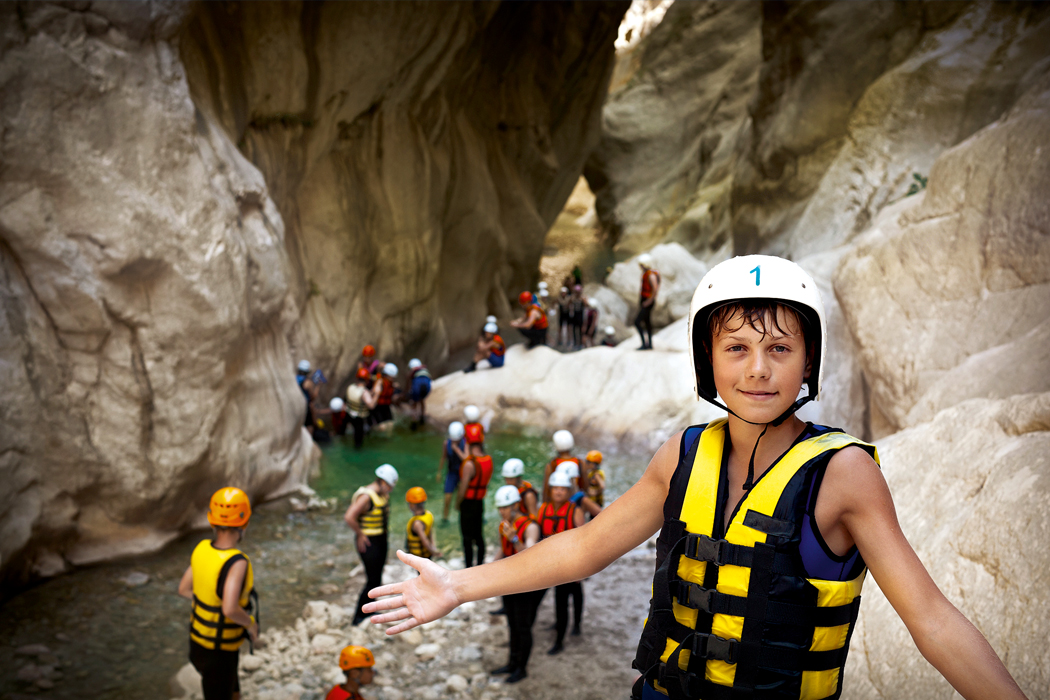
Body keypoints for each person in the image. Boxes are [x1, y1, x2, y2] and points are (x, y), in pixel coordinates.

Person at [363, 255, 1031, 700]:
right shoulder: (681, 455)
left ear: (808, 363)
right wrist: (457, 584)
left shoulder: (844, 473)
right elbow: (583, 547)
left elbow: (932, 618)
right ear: (709, 363)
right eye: (736, 348)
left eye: (779, 348)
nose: (759, 369)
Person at [177, 487, 258, 700]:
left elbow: (183, 589)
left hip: (197, 643)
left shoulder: (201, 548)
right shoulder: (237, 562)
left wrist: (208, 603)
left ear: (212, 521)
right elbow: (230, 608)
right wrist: (250, 623)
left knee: (231, 690)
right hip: (219, 651)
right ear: (244, 523)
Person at [491, 485, 543, 684]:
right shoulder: (504, 524)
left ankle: (522, 668)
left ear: (515, 505)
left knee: (523, 626)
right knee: (512, 623)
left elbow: (528, 556)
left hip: (526, 584)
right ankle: (511, 663)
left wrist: (514, 537)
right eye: (500, 508)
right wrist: (488, 568)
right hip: (509, 581)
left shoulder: (531, 526)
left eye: (505, 507)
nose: (502, 512)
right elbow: (502, 551)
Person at [537, 469, 585, 656]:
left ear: (568, 492)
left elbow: (584, 540)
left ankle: (565, 636)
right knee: (561, 599)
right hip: (552, 563)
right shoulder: (544, 509)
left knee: (567, 598)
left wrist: (581, 569)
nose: (558, 492)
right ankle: (563, 628)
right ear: (550, 490)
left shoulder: (575, 511)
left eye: (562, 489)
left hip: (570, 564)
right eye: (555, 488)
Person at [345, 464, 398, 625]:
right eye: (389, 486)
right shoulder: (367, 497)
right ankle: (358, 616)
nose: (390, 490)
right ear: (382, 482)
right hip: (369, 542)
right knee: (372, 580)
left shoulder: (380, 494)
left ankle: (370, 609)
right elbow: (349, 516)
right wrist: (360, 534)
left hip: (380, 540)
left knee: (377, 578)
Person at [457, 441, 493, 568]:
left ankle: (468, 567)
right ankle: (480, 565)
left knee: (467, 538)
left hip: (467, 503)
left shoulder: (469, 464)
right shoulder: (488, 460)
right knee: (478, 536)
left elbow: (463, 487)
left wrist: (457, 503)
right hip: (479, 502)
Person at [436, 422, 467, 522]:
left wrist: (457, 450)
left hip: (463, 474)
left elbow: (466, 459)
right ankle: (445, 518)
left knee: (461, 498)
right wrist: (439, 472)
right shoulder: (446, 443)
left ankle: (460, 516)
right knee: (447, 497)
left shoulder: (466, 444)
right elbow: (443, 457)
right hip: (452, 473)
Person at [542, 429, 581, 504]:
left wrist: (544, 505)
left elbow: (546, 489)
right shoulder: (580, 462)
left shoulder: (552, 464)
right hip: (576, 500)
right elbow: (584, 486)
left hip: (557, 502)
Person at [405, 487, 441, 560]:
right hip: (428, 555)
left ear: (412, 505)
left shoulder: (417, 523)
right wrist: (434, 548)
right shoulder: (428, 515)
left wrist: (434, 552)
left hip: (420, 558)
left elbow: (425, 541)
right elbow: (431, 533)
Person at [345, 368, 376, 449]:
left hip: (349, 414)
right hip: (359, 417)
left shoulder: (350, 387)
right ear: (366, 380)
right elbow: (371, 405)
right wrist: (377, 394)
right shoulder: (364, 392)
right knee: (358, 441)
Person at [635, 252, 661, 350]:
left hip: (647, 301)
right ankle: (649, 344)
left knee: (637, 322)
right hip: (645, 300)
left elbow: (655, 289)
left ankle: (645, 344)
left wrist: (648, 302)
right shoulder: (647, 274)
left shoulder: (650, 275)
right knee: (647, 322)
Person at [406, 359, 432, 430]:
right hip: (427, 387)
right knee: (422, 400)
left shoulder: (412, 372)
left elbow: (409, 383)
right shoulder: (425, 370)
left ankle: (414, 421)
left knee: (414, 403)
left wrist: (408, 392)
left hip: (417, 386)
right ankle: (422, 416)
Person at [296, 360, 317, 436]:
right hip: (305, 406)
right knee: (309, 425)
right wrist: (318, 386)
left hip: (295, 405)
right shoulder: (307, 382)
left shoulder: (294, 379)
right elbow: (312, 397)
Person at [569, 284, 585, 349]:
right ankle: (575, 343)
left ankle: (581, 343)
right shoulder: (573, 298)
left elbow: (586, 304)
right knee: (574, 330)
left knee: (581, 330)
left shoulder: (582, 298)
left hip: (580, 315)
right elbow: (569, 303)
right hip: (575, 314)